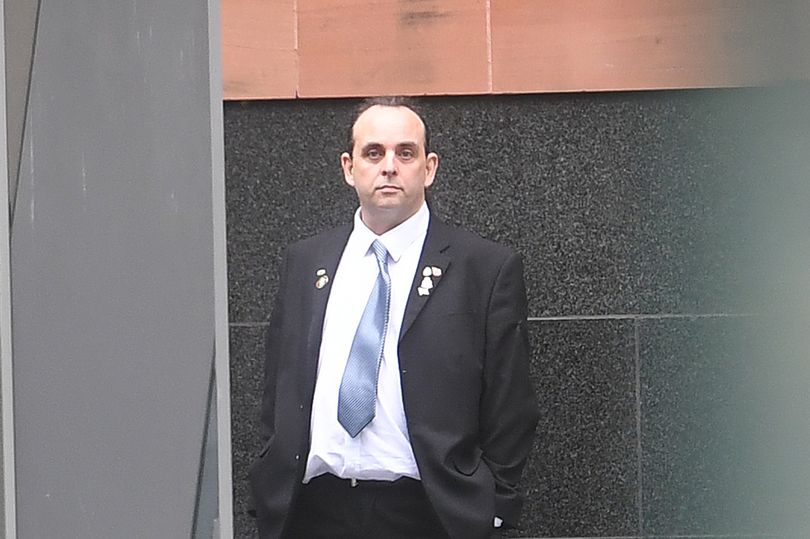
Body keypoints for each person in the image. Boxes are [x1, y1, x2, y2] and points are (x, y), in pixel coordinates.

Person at [248, 96, 538, 539]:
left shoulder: (483, 268)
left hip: (430, 513)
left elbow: (510, 403)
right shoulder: (306, 262)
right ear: (349, 168)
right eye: (373, 152)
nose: (389, 167)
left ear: (429, 168)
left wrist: (493, 507)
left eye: (405, 153)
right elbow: (279, 384)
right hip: (313, 511)